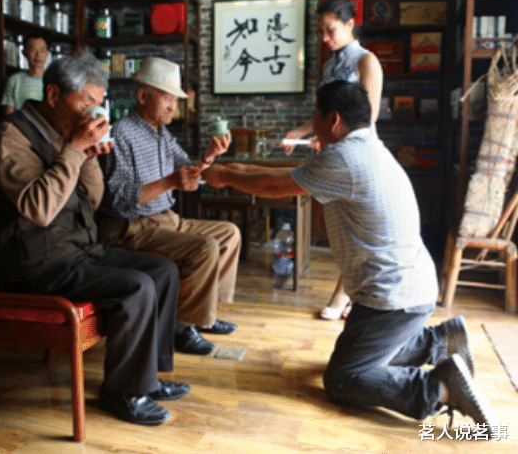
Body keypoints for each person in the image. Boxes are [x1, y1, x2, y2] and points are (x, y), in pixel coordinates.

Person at [202, 81, 496, 431]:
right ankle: (441, 342)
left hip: (392, 298)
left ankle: (440, 387)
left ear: (334, 120)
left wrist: (223, 176)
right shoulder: (368, 147)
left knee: (343, 378)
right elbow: (282, 175)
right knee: (368, 357)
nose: (312, 125)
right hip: (412, 289)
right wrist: (233, 170)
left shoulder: (342, 158)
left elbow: (273, 185)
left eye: (315, 117)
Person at [0, 51, 190, 426]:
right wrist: (75, 150)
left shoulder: (65, 136)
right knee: (137, 286)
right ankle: (123, 391)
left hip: (79, 250)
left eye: (97, 104)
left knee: (163, 271)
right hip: (36, 264)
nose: (91, 113)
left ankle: (149, 377)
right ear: (52, 95)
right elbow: (38, 209)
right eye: (85, 103)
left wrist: (90, 155)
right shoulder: (11, 136)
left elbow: (93, 201)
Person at [98, 56, 241, 356]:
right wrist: (170, 182)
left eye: (176, 100)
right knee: (204, 248)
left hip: (165, 219)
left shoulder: (162, 133)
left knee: (229, 233)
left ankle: (204, 315)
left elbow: (188, 170)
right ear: (142, 96)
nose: (173, 106)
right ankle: (181, 328)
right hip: (131, 227)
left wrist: (208, 157)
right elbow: (119, 199)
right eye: (167, 98)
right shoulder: (122, 134)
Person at [283, 0, 383, 321]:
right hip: (332, 151)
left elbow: (367, 117)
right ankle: (354, 294)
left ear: (350, 25)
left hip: (356, 154)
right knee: (340, 228)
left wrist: (327, 135)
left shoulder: (366, 62)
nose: (325, 39)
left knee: (356, 229)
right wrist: (302, 132)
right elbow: (325, 115)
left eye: (331, 30)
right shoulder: (329, 66)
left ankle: (343, 294)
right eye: (321, 32)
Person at [1, 35, 50, 114]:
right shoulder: (14, 80)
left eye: (42, 50)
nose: (38, 55)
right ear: (24, 53)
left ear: (47, 53)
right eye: (33, 50)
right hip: (21, 122)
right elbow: (9, 115)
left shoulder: (54, 80)